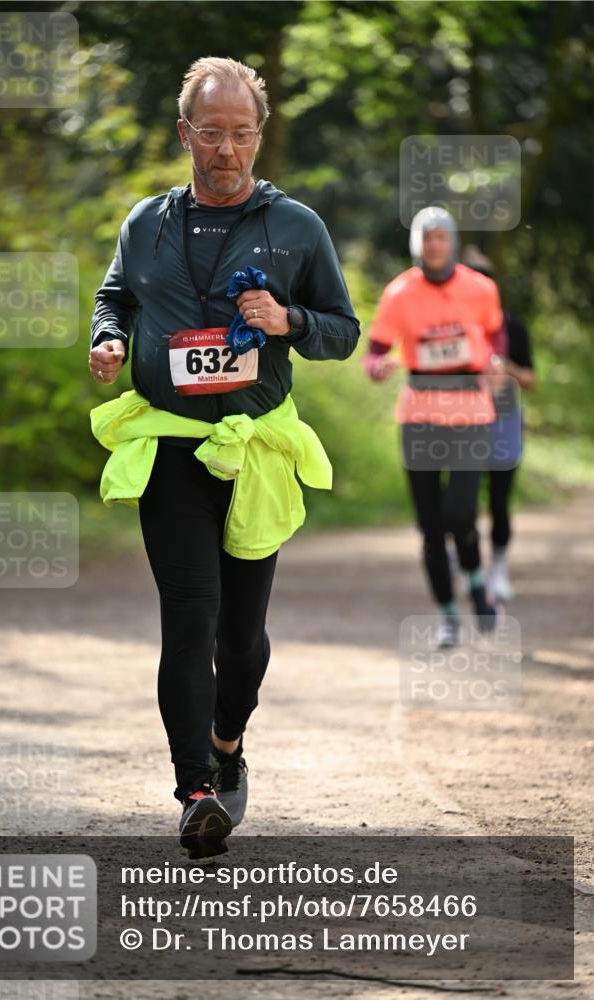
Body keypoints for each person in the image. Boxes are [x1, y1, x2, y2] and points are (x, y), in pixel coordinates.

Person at [88, 57, 359, 858]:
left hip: (255, 451)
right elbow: (116, 296)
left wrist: (287, 322)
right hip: (171, 447)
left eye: (242, 134)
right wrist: (107, 338)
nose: (227, 149)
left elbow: (340, 332)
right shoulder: (148, 222)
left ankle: (229, 742)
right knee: (190, 616)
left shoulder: (297, 227)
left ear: (258, 136)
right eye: (211, 133)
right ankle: (196, 789)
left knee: (240, 638)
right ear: (185, 134)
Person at [363, 207, 505, 648]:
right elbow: (375, 350)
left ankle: (477, 579)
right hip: (420, 413)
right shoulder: (399, 292)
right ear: (417, 244)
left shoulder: (481, 288)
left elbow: (496, 334)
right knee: (430, 526)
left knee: (460, 513)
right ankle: (448, 615)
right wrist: (377, 367)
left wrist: (497, 359)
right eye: (428, 238)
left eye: (442, 237)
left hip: (470, 411)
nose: (435, 245)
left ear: (454, 242)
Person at [460, 245, 536, 602]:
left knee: (500, 500)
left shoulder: (513, 327)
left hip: (504, 420)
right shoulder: (454, 329)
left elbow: (531, 378)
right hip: (460, 421)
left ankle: (499, 570)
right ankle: (470, 568)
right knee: (463, 500)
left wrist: (507, 369)